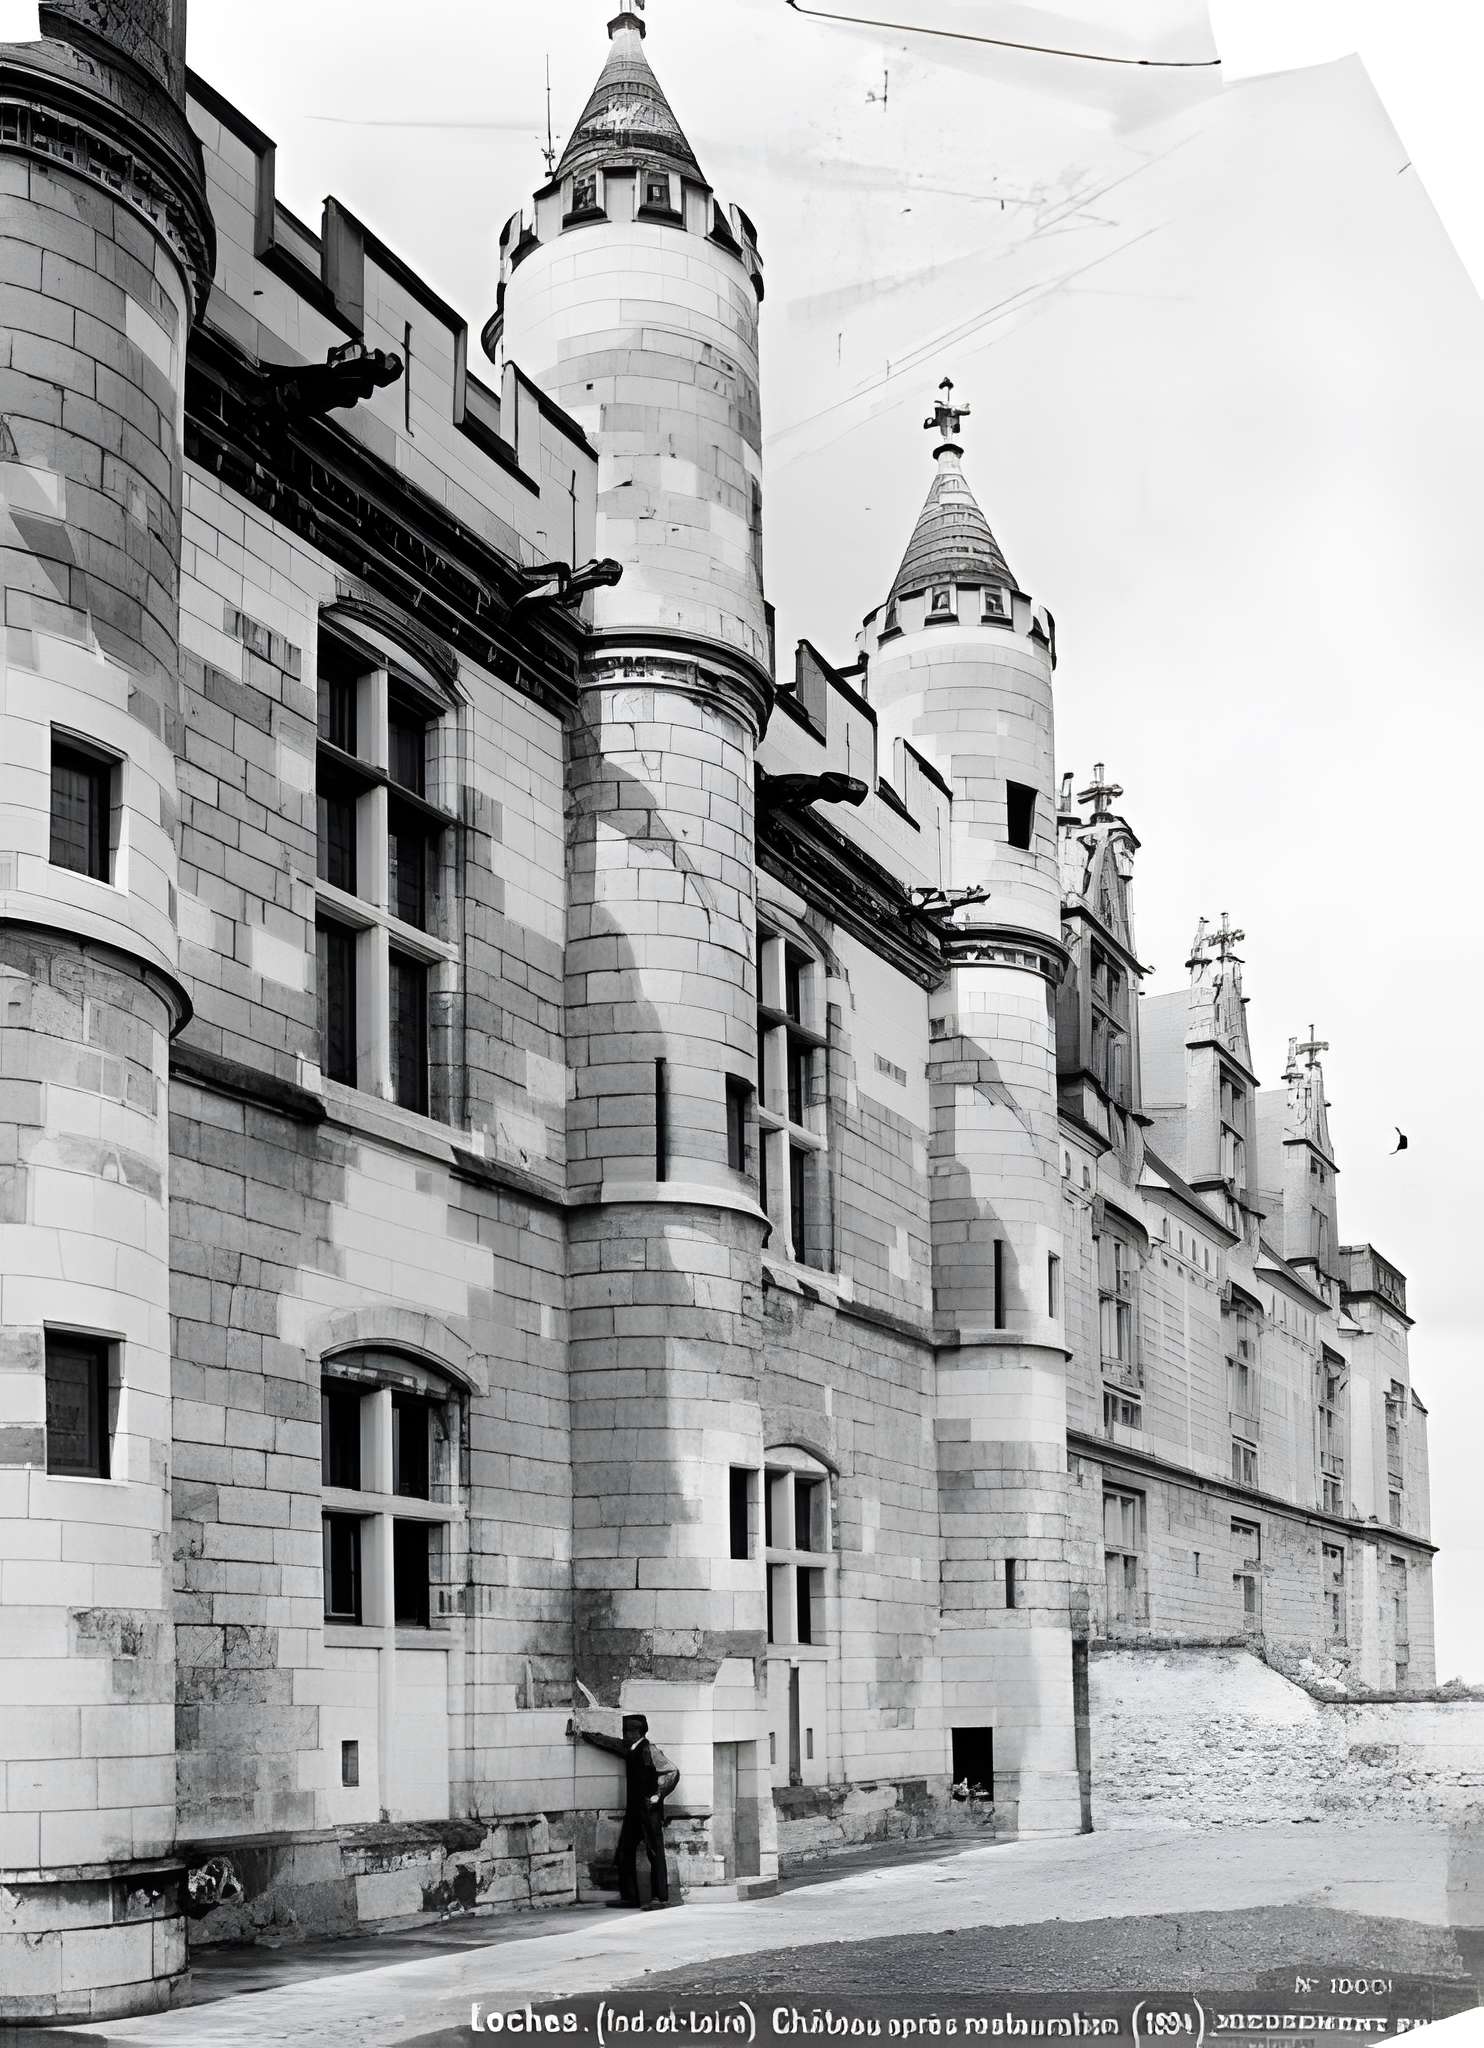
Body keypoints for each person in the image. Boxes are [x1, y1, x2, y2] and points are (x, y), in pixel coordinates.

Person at [568, 1711, 680, 1910]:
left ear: (639, 1732)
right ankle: (631, 1897)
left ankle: (660, 1898)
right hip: (635, 1811)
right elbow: (608, 1743)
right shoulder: (631, 1748)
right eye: (625, 1731)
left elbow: (672, 1771)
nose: (626, 1734)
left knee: (654, 1853)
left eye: (629, 1731)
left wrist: (658, 1794)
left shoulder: (649, 1750)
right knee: (625, 1852)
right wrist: (583, 1734)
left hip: (649, 1811)